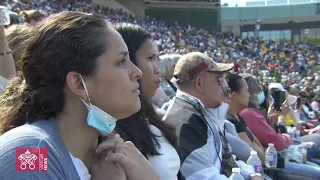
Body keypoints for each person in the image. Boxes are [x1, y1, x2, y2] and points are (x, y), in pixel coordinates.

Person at [0, 12, 159, 180]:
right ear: (78, 83)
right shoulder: (32, 152)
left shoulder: (112, 155)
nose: (137, 72)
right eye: (121, 62)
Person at [163, 52, 262, 180]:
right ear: (199, 83)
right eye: (219, 79)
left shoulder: (202, 113)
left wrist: (250, 174)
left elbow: (226, 160)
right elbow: (203, 176)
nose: (224, 86)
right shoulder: (185, 120)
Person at [115, 23, 180, 180]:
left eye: (157, 59)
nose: (157, 69)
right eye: (150, 59)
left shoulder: (149, 117)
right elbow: (42, 165)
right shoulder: (110, 136)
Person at [225, 73, 265, 163]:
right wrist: (260, 152)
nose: (249, 95)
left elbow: (258, 144)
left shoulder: (238, 117)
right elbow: (257, 157)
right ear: (234, 95)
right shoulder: (231, 121)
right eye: (246, 91)